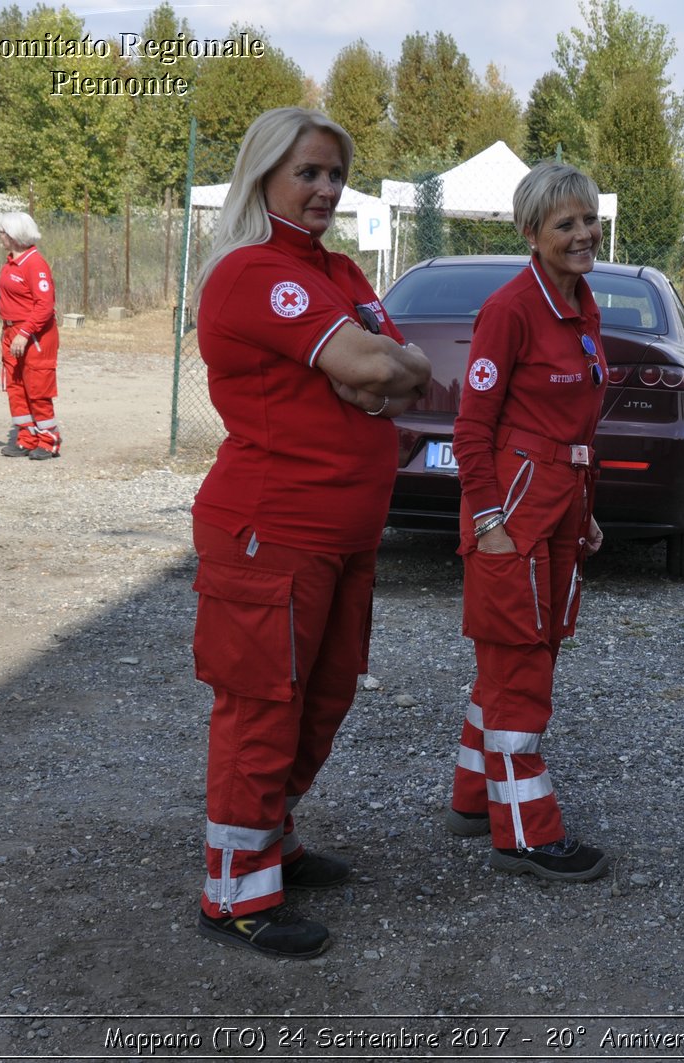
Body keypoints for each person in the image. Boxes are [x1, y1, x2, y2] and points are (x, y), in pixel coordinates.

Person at [189, 107, 432, 959]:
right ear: (263, 175)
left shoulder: (341, 272)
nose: (326, 187)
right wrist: (368, 368)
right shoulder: (253, 272)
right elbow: (378, 367)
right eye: (308, 173)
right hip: (272, 530)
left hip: (343, 532)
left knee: (323, 697)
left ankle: (272, 841)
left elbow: (411, 376)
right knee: (262, 708)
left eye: (335, 173)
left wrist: (378, 371)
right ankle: (236, 892)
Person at [445, 161, 611, 883]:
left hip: (560, 502)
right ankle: (526, 832)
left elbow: (568, 419)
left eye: (588, 219)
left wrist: (587, 507)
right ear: (531, 233)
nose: (582, 234)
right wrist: (487, 519)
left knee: (516, 658)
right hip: (513, 508)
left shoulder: (582, 300)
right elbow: (471, 427)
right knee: (520, 667)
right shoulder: (512, 309)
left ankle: (473, 797)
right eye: (564, 224)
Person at [0, 212, 61, 460]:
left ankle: (48, 439)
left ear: (13, 235)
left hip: (34, 335)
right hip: (11, 331)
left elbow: (44, 305)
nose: (0, 237)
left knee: (37, 387)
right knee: (15, 385)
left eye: (2, 232)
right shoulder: (12, 262)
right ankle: (26, 436)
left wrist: (24, 333)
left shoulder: (35, 264)